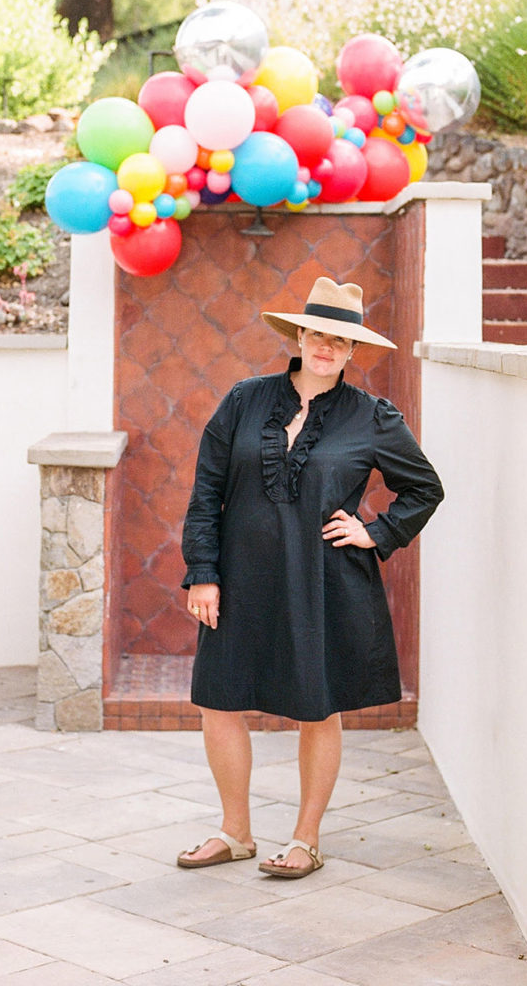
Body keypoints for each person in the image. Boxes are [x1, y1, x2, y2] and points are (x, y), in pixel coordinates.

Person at [177, 276, 444, 879]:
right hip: (239, 580)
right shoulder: (245, 399)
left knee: (318, 710)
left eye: (340, 340)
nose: (326, 347)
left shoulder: (372, 417)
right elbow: (206, 494)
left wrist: (375, 531)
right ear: (299, 336)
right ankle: (235, 832)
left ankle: (305, 840)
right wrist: (203, 573)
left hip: (324, 583)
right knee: (218, 702)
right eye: (317, 333)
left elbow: (425, 488)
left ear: (353, 352)